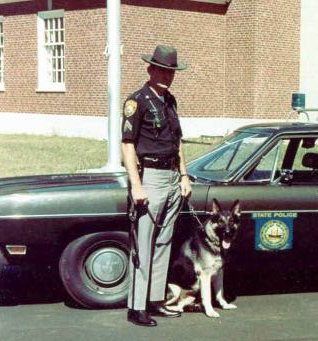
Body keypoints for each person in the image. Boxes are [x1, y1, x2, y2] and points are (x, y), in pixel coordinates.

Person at [121, 45, 192, 327]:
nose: (167, 75)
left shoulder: (170, 101)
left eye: (171, 71)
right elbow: (127, 146)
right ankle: (136, 306)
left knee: (163, 242)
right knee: (144, 243)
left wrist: (184, 176)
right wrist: (137, 186)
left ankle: (154, 299)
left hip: (172, 177)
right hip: (149, 177)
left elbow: (178, 143)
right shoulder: (136, 102)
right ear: (150, 69)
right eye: (161, 69)